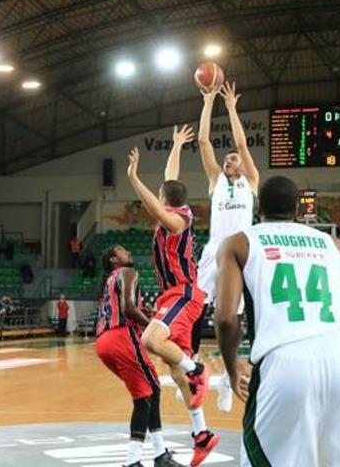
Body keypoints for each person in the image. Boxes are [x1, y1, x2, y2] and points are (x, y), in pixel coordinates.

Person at [214, 175, 340, 467]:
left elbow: (224, 319)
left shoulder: (238, 243)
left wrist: (233, 368)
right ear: (297, 210)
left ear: (258, 209)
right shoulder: (334, 245)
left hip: (283, 363)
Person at [126, 125, 220, 467]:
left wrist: (134, 179)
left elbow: (156, 207)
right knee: (176, 373)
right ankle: (203, 434)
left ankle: (197, 368)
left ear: (166, 200)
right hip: (172, 296)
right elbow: (170, 178)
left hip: (185, 293)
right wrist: (177, 146)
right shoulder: (175, 209)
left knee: (152, 339)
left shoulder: (179, 219)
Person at [193, 81, 259, 413]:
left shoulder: (251, 182)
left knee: (233, 317)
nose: (230, 158)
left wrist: (232, 107)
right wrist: (208, 102)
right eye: (228, 158)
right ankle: (192, 367)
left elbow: (242, 142)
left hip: (243, 253)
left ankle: (227, 376)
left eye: (234, 157)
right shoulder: (215, 181)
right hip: (214, 251)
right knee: (194, 307)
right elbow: (203, 140)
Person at [95, 245, 184, 467]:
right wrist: (154, 325)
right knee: (144, 397)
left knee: (152, 390)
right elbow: (128, 309)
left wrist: (144, 312)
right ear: (115, 259)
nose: (129, 252)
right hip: (122, 336)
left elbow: (126, 306)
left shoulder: (109, 279)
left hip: (104, 342)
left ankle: (160, 453)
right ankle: (133, 461)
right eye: (123, 250)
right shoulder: (127, 272)